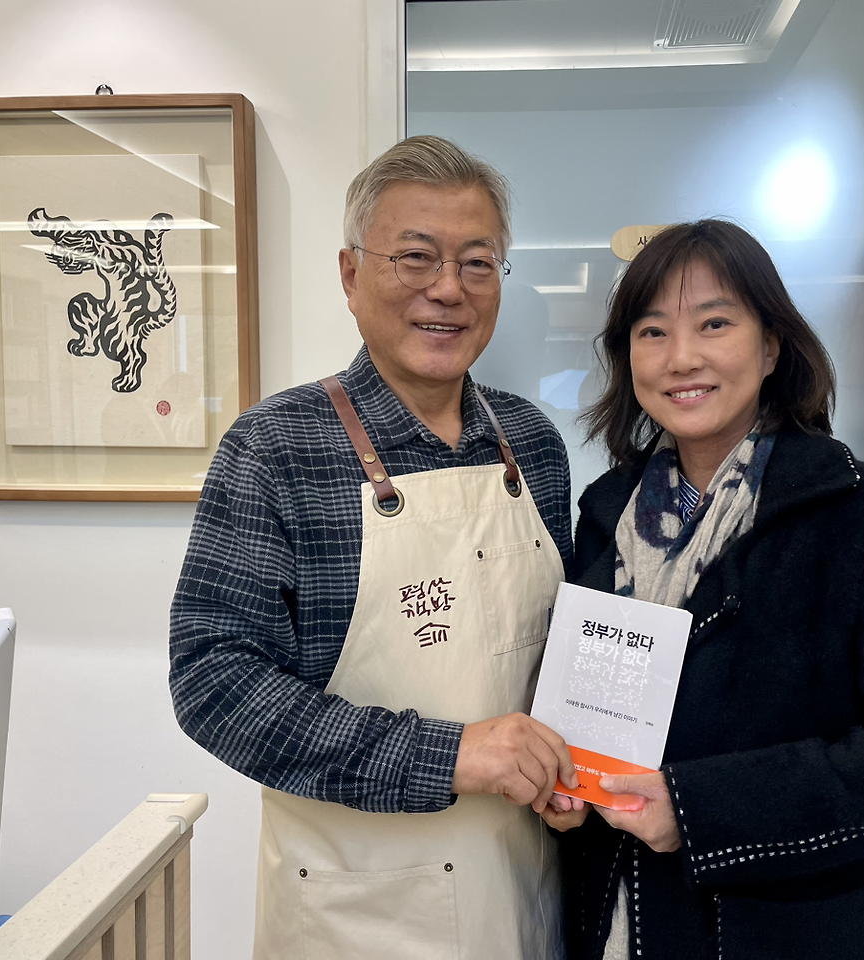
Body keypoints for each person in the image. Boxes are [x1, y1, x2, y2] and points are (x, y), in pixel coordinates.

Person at [169, 135, 578, 960]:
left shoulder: (532, 444)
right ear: (351, 275)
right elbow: (214, 682)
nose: (448, 289)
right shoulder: (276, 447)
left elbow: (558, 652)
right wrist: (447, 755)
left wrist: (574, 762)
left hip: (524, 891)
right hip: (359, 913)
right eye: (415, 256)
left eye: (477, 263)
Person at [544, 220, 864, 959]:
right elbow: (592, 709)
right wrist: (563, 787)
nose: (681, 357)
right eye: (652, 332)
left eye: (714, 323)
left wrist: (700, 811)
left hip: (785, 932)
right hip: (616, 922)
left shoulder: (863, 517)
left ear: (772, 346)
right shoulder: (605, 514)